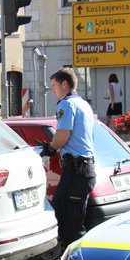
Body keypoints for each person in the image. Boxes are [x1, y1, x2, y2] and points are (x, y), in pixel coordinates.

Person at [42, 68, 96, 247]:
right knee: (66, 217)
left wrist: (50, 148)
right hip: (82, 171)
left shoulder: (66, 104)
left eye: (54, 86)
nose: (53, 91)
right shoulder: (83, 104)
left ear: (64, 84)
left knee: (70, 226)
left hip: (76, 172)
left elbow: (62, 135)